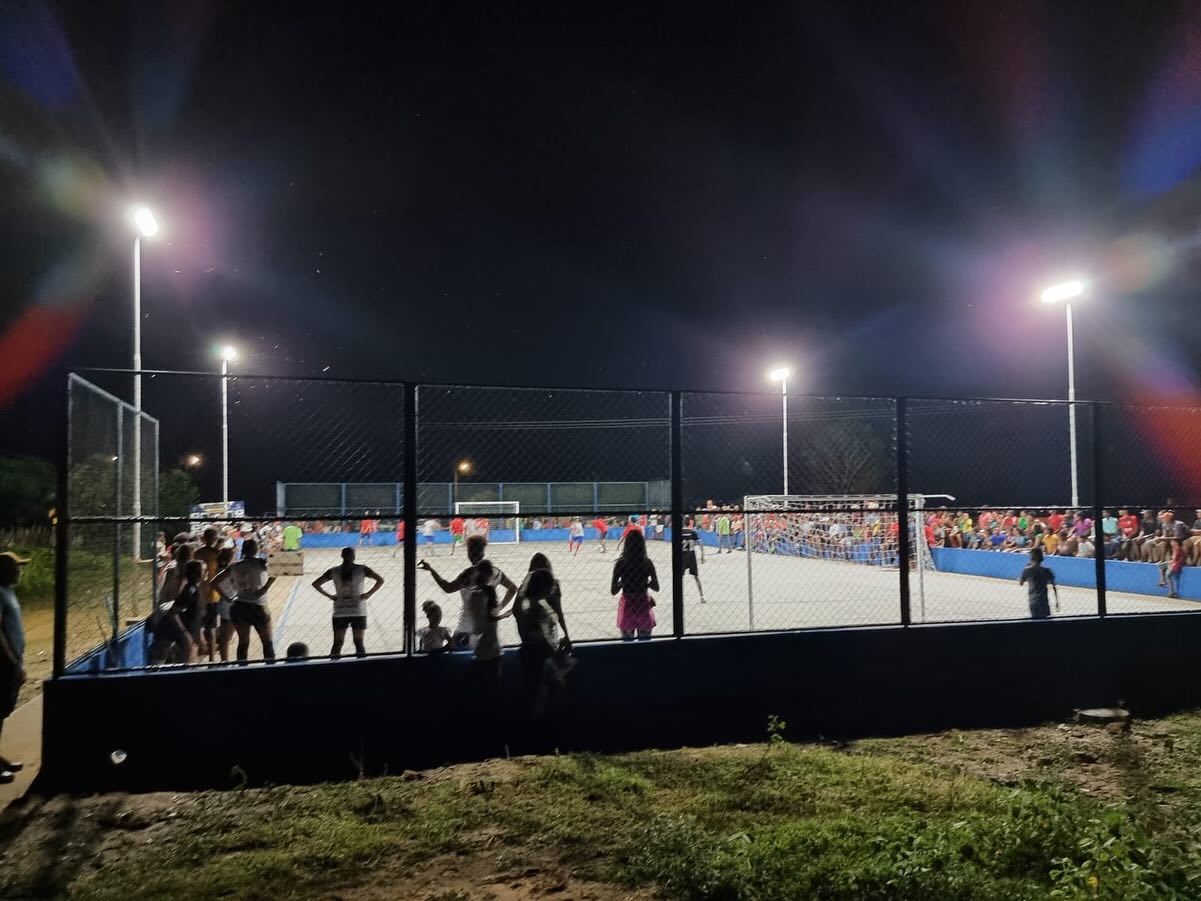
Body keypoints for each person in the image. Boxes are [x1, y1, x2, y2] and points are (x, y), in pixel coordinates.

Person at [418, 535, 517, 649]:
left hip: (466, 628)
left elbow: (448, 587)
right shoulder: (495, 571)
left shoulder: (469, 574)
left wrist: (431, 570)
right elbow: (513, 588)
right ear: (483, 552)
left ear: (470, 552)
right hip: (487, 628)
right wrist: (499, 608)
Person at [311, 547, 384, 659]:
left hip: (340, 609)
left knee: (338, 643)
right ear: (354, 556)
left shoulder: (334, 571)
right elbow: (380, 580)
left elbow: (316, 583)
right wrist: (369, 593)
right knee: (359, 642)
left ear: (342, 556)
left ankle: (334, 663)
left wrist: (330, 596)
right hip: (358, 609)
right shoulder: (362, 569)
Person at [214, 539, 276, 663]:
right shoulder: (261, 563)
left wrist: (227, 597)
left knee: (243, 642)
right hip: (258, 605)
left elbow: (214, 582)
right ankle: (270, 668)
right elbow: (277, 571)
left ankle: (242, 669)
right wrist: (264, 589)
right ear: (256, 549)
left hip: (239, 605)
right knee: (267, 642)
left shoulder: (235, 565)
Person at [0, 552, 28, 782]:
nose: (19, 571)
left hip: (13, 662)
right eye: (15, 568)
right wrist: (11, 661)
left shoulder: (8, 592)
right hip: (3, 663)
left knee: (2, 712)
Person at [610, 529, 659, 640]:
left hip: (628, 604)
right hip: (643, 604)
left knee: (628, 642)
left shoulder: (620, 563)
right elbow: (656, 587)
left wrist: (622, 583)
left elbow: (613, 591)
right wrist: (646, 583)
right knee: (645, 641)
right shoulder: (647, 562)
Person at [1019, 548, 1059, 619]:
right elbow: (1053, 586)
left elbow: (1021, 583)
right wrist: (1056, 601)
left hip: (1033, 599)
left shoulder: (1027, 570)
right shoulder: (1047, 570)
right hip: (1044, 600)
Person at [680, 516, 706, 603]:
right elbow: (700, 543)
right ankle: (701, 596)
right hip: (691, 556)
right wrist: (702, 555)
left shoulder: (680, 532)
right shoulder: (692, 532)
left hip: (682, 556)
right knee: (696, 577)